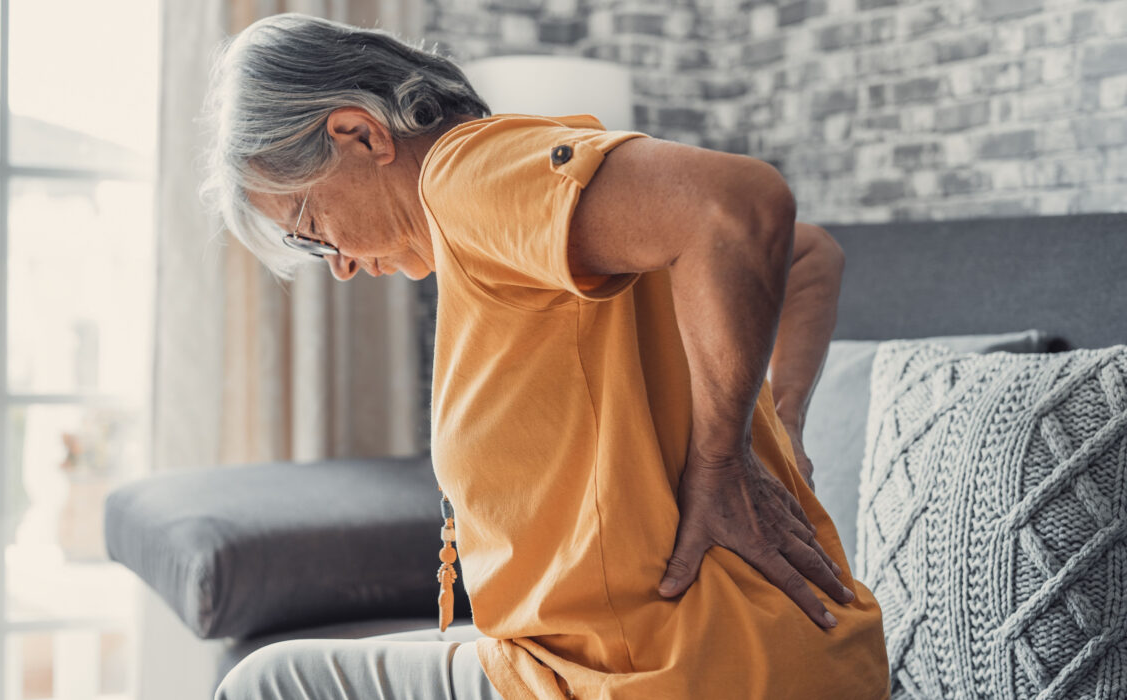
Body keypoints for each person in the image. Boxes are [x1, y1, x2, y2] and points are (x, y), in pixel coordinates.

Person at [204, 13, 890, 700]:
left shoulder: (466, 176)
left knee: (270, 685)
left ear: (362, 134)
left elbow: (740, 205)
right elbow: (807, 256)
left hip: (667, 676)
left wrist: (724, 459)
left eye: (314, 228)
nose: (342, 267)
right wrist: (784, 425)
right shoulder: (541, 216)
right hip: (753, 661)